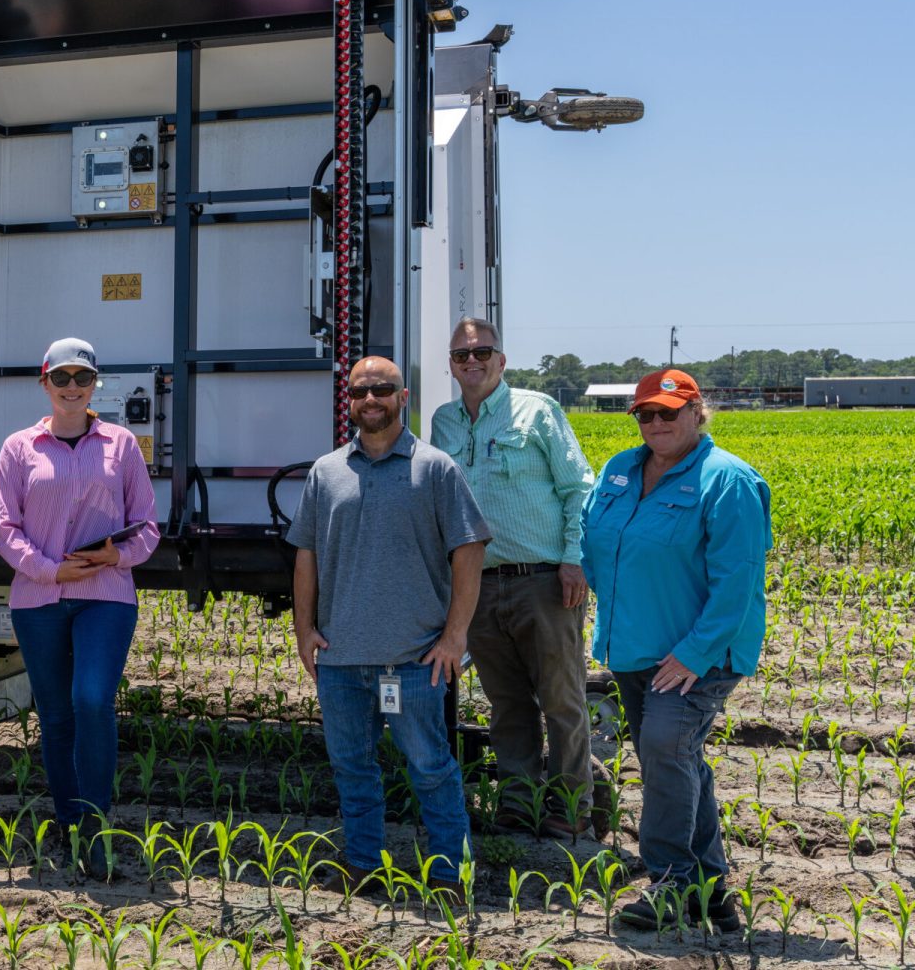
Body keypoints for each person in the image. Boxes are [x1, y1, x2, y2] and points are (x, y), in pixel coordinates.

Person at [285, 356, 491, 894]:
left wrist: (455, 636)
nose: (370, 399)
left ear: (404, 396)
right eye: (360, 391)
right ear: (348, 400)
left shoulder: (435, 468)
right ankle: (364, 864)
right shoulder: (326, 472)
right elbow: (305, 555)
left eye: (382, 389)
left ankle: (451, 873)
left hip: (413, 661)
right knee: (354, 773)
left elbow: (469, 551)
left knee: (432, 770)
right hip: (341, 660)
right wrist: (304, 630)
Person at [586, 369, 770, 933]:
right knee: (675, 758)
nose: (657, 423)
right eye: (646, 413)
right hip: (634, 646)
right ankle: (712, 892)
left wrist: (692, 653)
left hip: (699, 655)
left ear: (697, 412)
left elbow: (737, 582)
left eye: (669, 412)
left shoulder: (727, 481)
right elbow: (596, 539)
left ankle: (668, 881)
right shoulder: (620, 469)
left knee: (666, 745)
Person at [0, 338, 159, 879]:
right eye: (60, 377)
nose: (71, 387)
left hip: (105, 595)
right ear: (44, 382)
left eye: (81, 378)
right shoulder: (20, 448)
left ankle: (97, 826)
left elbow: (148, 526)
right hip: (39, 598)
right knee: (56, 717)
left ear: (94, 385)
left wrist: (118, 554)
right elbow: (2, 527)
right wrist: (50, 569)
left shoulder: (122, 444)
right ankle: (69, 825)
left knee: (91, 700)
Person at [429, 318, 596, 839]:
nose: (472, 361)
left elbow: (577, 488)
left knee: (562, 700)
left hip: (543, 580)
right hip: (477, 584)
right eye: (461, 355)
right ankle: (519, 803)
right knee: (507, 704)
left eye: (482, 352)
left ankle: (570, 812)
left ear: (501, 361)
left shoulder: (537, 410)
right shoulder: (444, 423)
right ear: (451, 365)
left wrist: (574, 558)